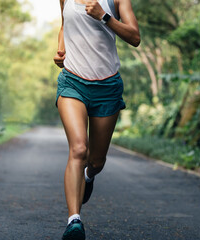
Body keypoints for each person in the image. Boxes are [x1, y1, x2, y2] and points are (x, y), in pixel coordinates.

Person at [53, 0, 140, 239]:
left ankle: (88, 176)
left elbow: (135, 37)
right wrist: (61, 50)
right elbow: (64, 24)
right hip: (73, 81)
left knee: (97, 160)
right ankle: (74, 221)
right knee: (79, 148)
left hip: (107, 86)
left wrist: (104, 16)